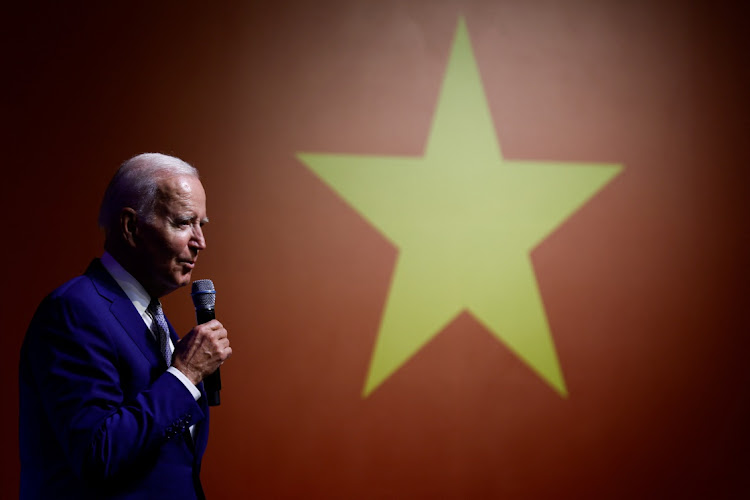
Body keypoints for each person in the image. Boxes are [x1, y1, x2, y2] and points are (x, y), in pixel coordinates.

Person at [19, 153, 232, 499]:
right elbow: (96, 455)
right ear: (132, 227)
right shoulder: (74, 311)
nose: (200, 242)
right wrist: (184, 376)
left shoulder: (153, 319)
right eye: (183, 223)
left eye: (201, 225)